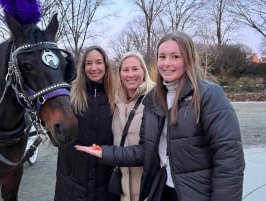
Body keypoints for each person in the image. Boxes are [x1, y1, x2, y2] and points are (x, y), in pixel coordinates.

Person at [76, 31, 245, 201]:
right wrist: (103, 152)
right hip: (162, 190)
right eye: (162, 57)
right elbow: (144, 151)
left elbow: (229, 161)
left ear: (189, 58)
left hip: (196, 194)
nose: (167, 63)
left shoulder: (209, 95)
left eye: (175, 56)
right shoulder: (155, 100)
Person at [76, 51, 154, 201]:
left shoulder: (155, 100)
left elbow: (149, 150)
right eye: (125, 70)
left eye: (135, 69)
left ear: (144, 71)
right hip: (123, 192)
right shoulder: (115, 103)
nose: (130, 74)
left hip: (148, 189)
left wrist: (103, 153)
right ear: (119, 74)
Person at [54, 45, 119, 201]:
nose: (94, 68)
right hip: (72, 183)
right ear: (82, 68)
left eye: (98, 62)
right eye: (88, 63)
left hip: (104, 183)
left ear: (106, 65)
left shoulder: (117, 97)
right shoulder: (68, 96)